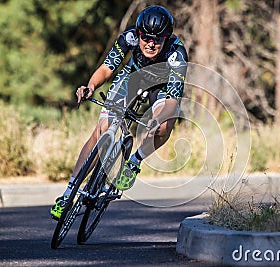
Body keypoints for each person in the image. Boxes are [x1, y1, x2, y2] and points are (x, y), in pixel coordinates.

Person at [51, 5, 188, 220]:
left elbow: (172, 101)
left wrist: (157, 118)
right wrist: (91, 86)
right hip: (132, 77)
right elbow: (107, 68)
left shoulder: (177, 54)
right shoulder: (130, 36)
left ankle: (134, 162)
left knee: (163, 126)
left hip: (161, 88)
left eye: (158, 39)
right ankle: (68, 194)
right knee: (102, 130)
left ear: (166, 38)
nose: (151, 44)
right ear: (139, 33)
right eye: (147, 38)